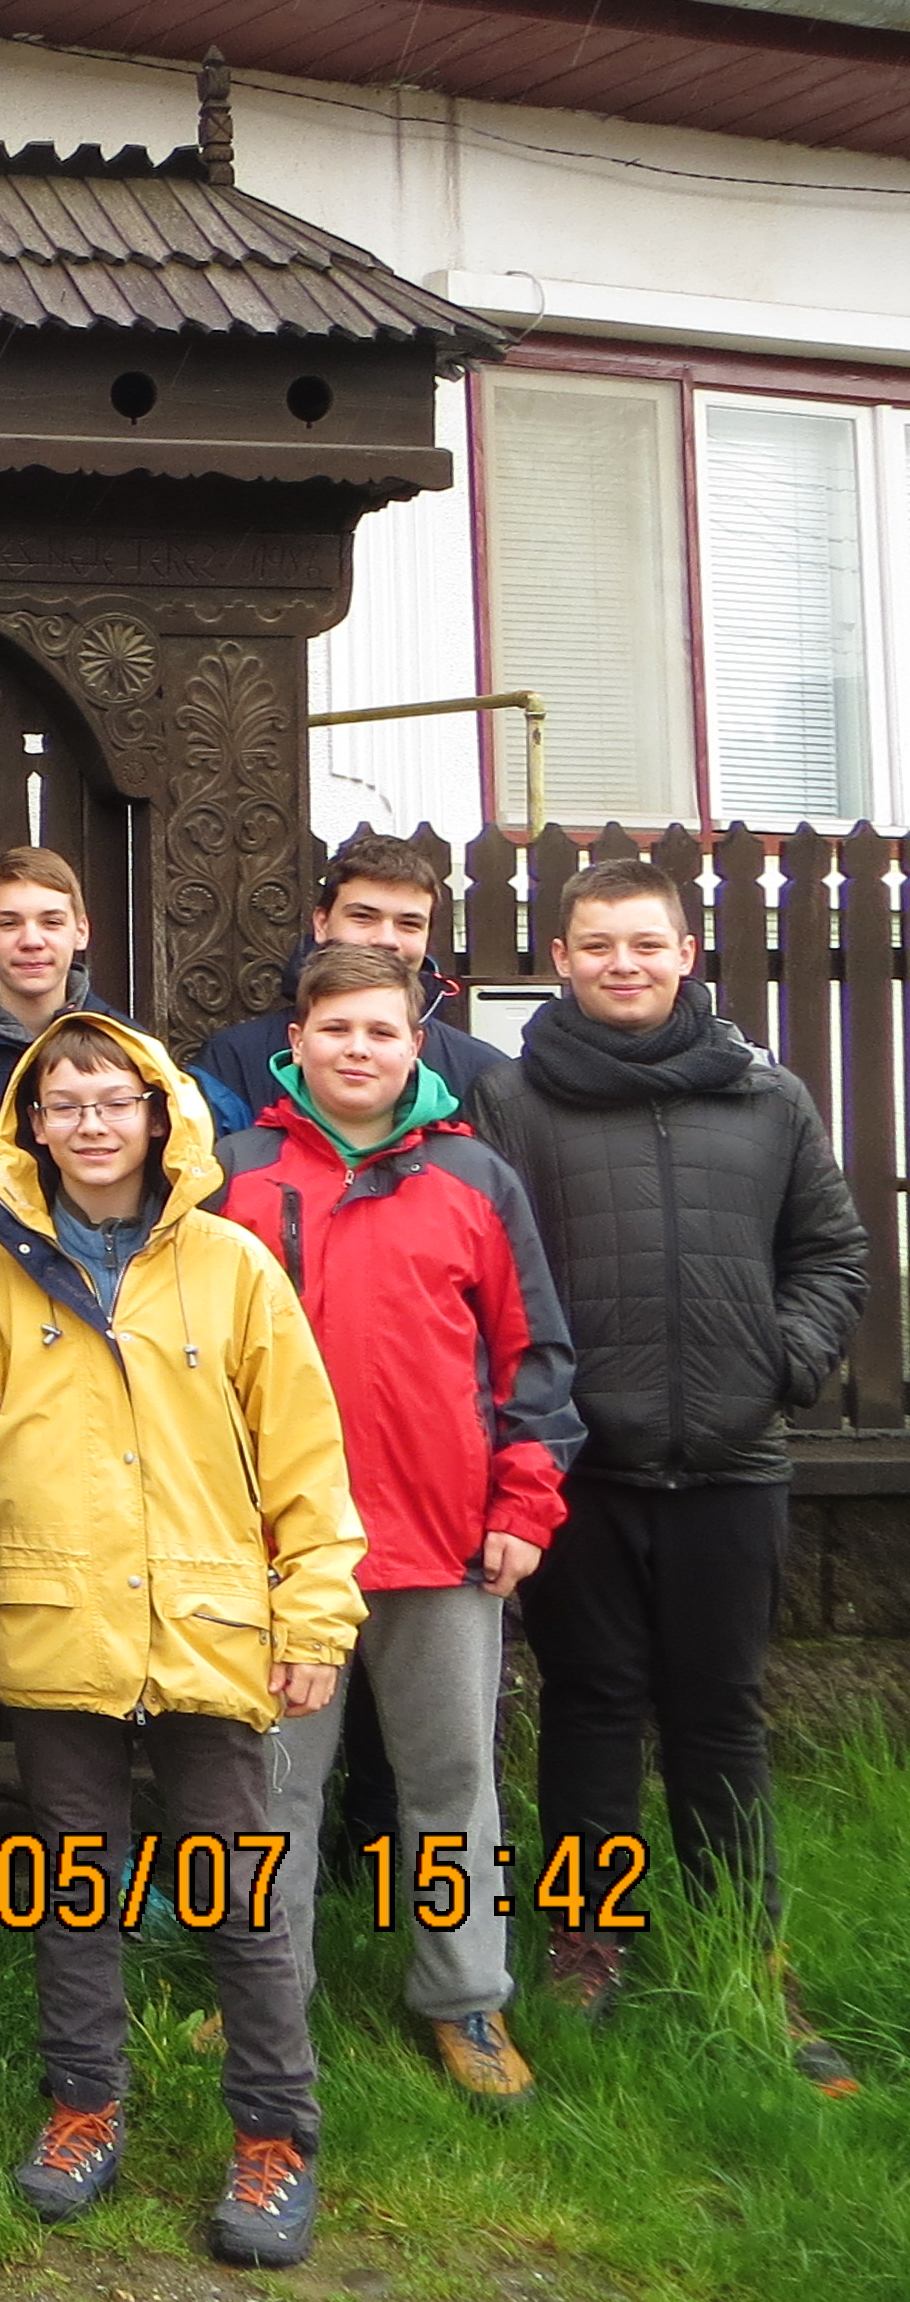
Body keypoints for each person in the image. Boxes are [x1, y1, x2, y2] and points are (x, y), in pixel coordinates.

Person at [0, 1012, 361, 2270]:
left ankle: (274, 2135)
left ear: (159, 1114)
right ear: (30, 1126)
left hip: (208, 1630)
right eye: (62, 1104)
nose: (90, 1125)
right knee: (75, 1887)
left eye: (113, 1101)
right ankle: (82, 2108)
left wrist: (314, 1613)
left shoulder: (232, 1267)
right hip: (51, 1623)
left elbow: (304, 1458)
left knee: (239, 1894)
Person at [469, 860, 870, 2088]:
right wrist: (534, 1423)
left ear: (687, 953)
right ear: (560, 958)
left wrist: (776, 1365)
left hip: (734, 1467)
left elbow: (830, 1252)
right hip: (582, 1470)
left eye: (644, 943)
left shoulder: (767, 1097)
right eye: (597, 945)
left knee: (720, 1716)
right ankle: (589, 1943)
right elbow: (485, 1277)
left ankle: (746, 1953)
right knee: (589, 1709)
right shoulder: (513, 1102)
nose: (622, 965)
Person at [213, 942, 576, 2111]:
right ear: (296, 1042)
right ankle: (265, 1993)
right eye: (335, 1029)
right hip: (276, 1549)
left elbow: (533, 1356)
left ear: (415, 1045)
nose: (357, 1049)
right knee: (269, 1790)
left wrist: (524, 1503)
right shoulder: (236, 1173)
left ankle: (465, 1995)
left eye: (380, 1030)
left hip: (443, 1542)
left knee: (450, 1784)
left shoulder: (474, 1176)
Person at [191, 836, 511, 1135]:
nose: (386, 939)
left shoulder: (483, 1072)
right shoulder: (233, 1061)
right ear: (321, 923)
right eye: (364, 917)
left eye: (409, 924)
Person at [0, 848, 117, 1129]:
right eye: (9, 924)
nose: (32, 941)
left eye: (51, 922)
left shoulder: (125, 1044)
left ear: (81, 932)